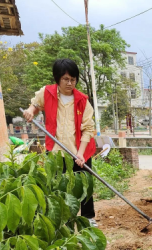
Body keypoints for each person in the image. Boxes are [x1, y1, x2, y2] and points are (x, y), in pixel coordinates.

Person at [23, 59, 97, 226]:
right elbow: (35, 104)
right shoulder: (47, 92)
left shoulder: (83, 101)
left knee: (85, 184)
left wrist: (80, 153)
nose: (70, 83)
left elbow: (87, 129)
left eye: (73, 79)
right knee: (58, 184)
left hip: (79, 150)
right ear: (57, 78)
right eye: (65, 79)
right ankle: (62, 218)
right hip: (56, 150)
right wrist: (30, 111)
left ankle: (88, 217)